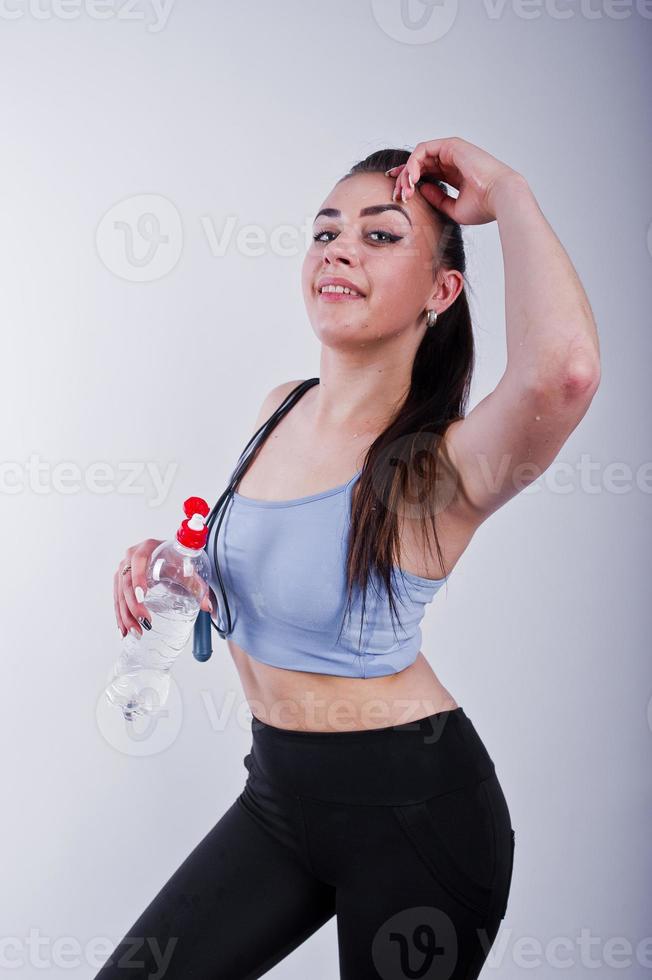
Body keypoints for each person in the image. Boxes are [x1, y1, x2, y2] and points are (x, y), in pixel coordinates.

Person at [105, 137, 601, 979]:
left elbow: (565, 375)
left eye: (380, 235)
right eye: (326, 230)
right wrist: (183, 569)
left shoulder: (439, 469)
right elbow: (289, 581)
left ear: (442, 291)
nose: (339, 247)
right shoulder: (281, 407)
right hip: (278, 799)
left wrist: (510, 192)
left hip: (415, 813)